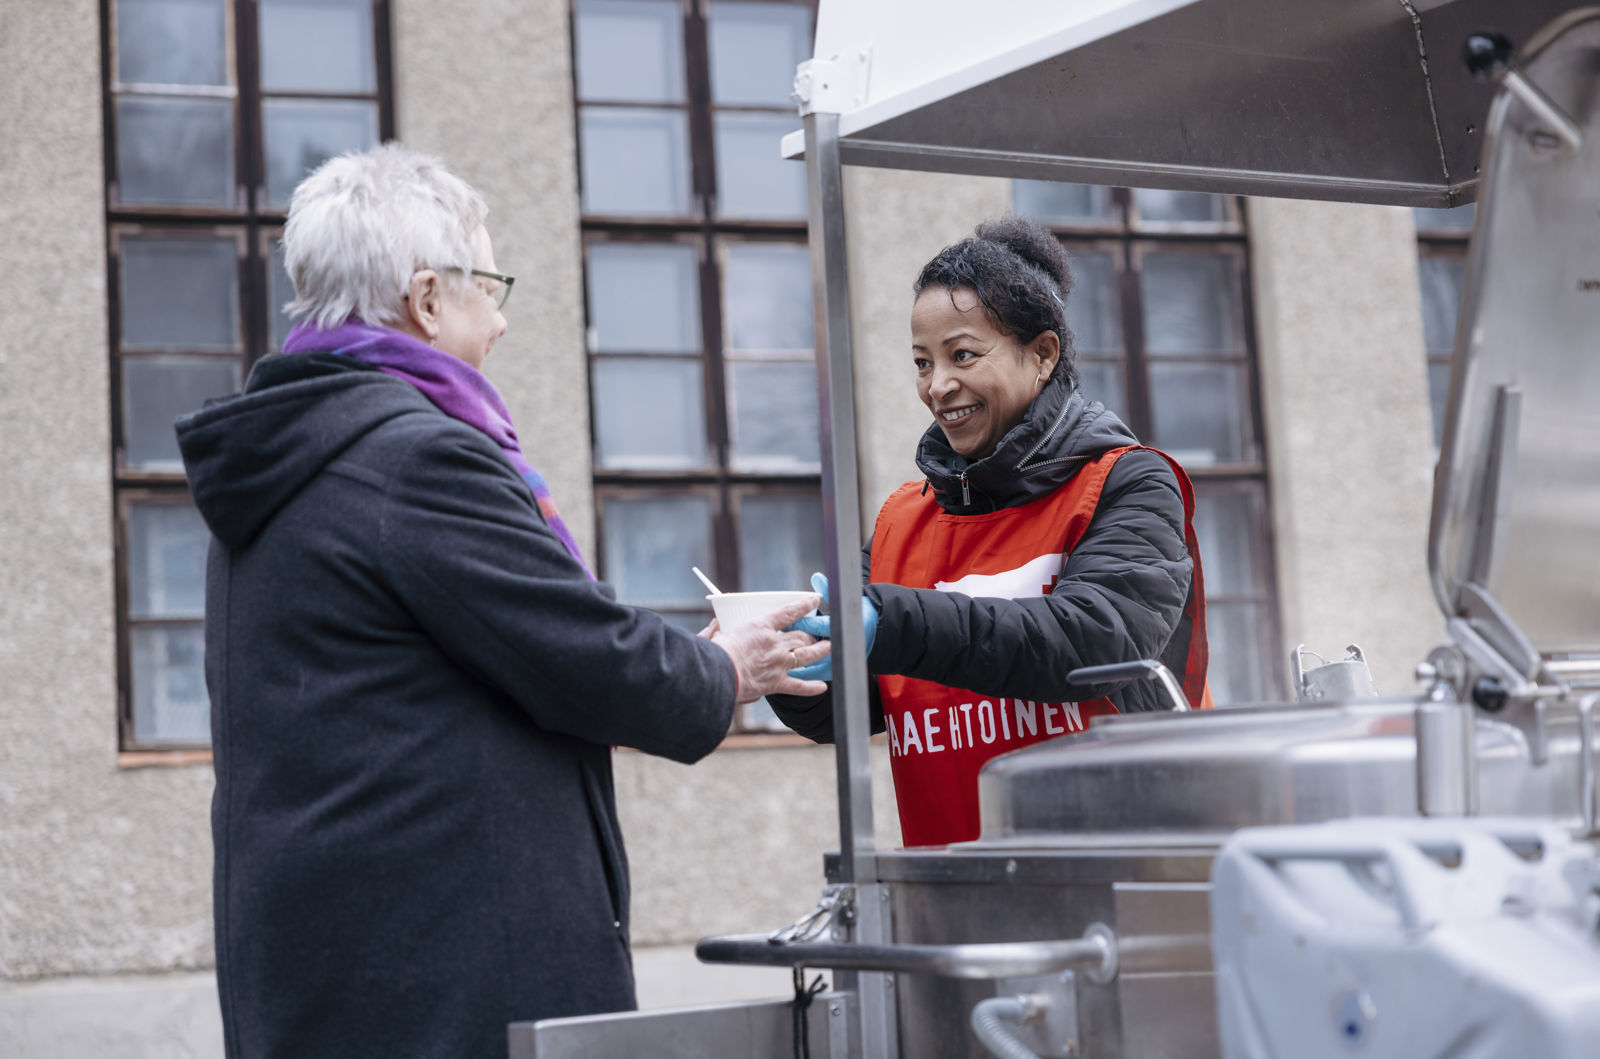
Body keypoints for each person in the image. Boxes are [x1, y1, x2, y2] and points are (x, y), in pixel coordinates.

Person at [174, 143, 830, 1058]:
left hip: (336, 971)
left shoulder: (288, 455)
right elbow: (578, 652)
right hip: (447, 982)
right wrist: (723, 666)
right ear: (428, 298)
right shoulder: (413, 458)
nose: (502, 322)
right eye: (489, 284)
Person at [769, 217, 1210, 848]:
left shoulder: (1127, 484)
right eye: (922, 362)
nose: (937, 385)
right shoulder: (901, 520)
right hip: (961, 888)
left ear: (1043, 355)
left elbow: (1093, 641)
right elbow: (847, 708)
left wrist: (891, 624)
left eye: (962, 355)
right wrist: (800, 660)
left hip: (1126, 886)